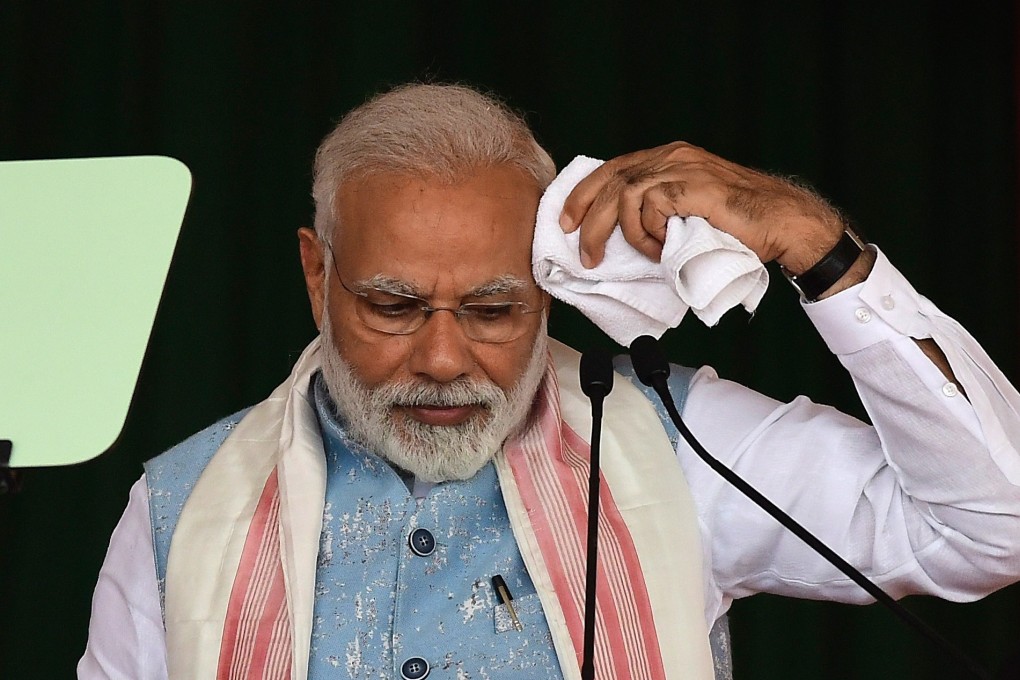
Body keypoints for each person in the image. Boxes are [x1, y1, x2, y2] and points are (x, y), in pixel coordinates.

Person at [79, 83, 1020, 680]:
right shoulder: (178, 505)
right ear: (316, 274)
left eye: (493, 310)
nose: (443, 360)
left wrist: (819, 248)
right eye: (394, 306)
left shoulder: (675, 445)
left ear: (549, 287)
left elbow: (990, 527)